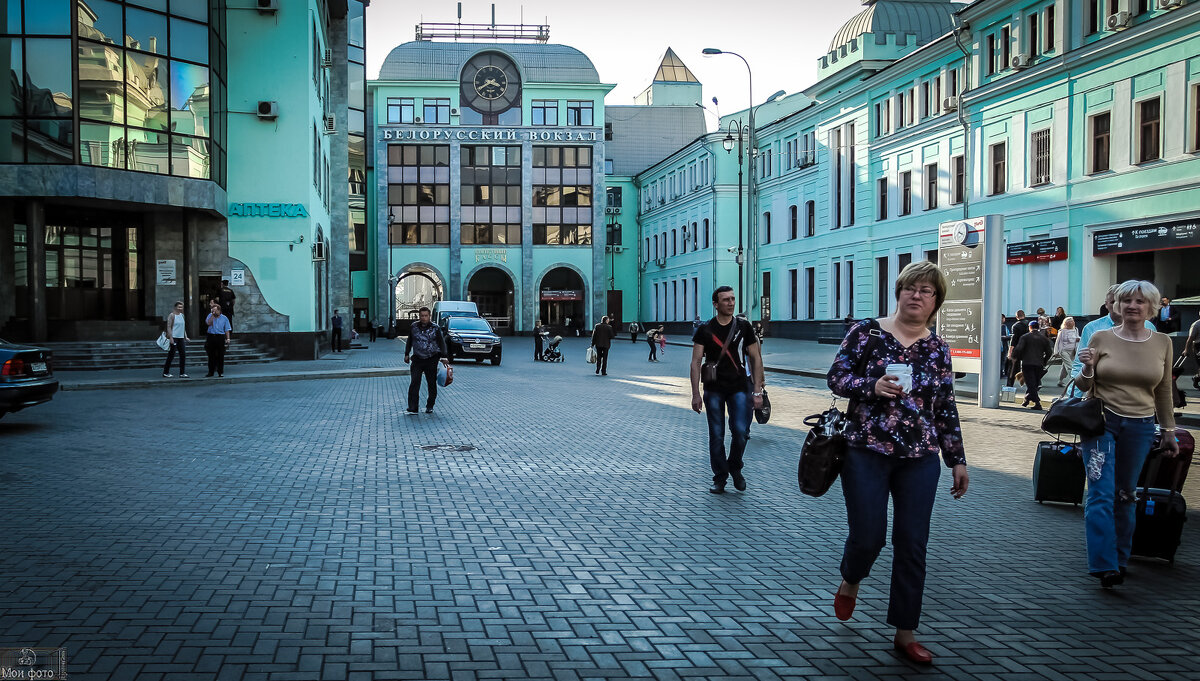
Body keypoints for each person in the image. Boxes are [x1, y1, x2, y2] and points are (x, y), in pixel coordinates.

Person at [827, 261, 968, 665]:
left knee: (912, 544)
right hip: (866, 452)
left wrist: (957, 459)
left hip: (919, 458)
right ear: (899, 292)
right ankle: (852, 577)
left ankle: (905, 632)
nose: (917, 295)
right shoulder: (867, 332)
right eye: (910, 288)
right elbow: (836, 378)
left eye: (926, 291)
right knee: (869, 536)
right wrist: (869, 386)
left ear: (936, 302)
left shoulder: (937, 348)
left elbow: (945, 407)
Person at [1074, 280, 1178, 589]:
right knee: (1101, 493)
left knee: (1126, 494)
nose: (1132, 306)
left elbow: (1163, 391)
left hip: (1141, 426)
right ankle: (1104, 565)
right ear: (1116, 305)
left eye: (1140, 301)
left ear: (1151, 307)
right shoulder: (1101, 337)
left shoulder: (1162, 343)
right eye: (1126, 301)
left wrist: (1169, 430)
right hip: (1102, 424)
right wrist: (1088, 368)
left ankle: (1120, 559)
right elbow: (1082, 386)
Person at [689, 286, 764, 494]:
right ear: (716, 304)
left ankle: (735, 465)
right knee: (716, 434)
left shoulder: (744, 327)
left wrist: (757, 390)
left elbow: (755, 358)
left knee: (741, 432)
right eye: (725, 300)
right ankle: (720, 477)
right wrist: (695, 394)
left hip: (739, 387)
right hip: (713, 389)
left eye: (733, 299)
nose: (731, 303)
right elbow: (695, 362)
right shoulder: (705, 329)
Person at [1070, 284, 1156, 398]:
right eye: (1113, 302)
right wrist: (1074, 397)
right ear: (1106, 304)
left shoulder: (1148, 327)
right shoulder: (1093, 328)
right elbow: (1080, 364)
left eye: (1123, 301)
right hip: (1101, 397)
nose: (1118, 306)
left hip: (1139, 396)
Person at [404, 306, 450, 414]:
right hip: (417, 359)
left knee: (431, 383)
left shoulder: (435, 328)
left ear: (429, 316)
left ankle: (430, 405)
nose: (424, 318)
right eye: (422, 316)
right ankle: (413, 407)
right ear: (419, 316)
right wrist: (406, 354)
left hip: (431, 359)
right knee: (415, 382)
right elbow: (410, 340)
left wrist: (444, 356)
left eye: (426, 316)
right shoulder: (414, 326)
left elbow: (441, 343)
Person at [1011, 319, 1053, 409]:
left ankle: (1037, 403)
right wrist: (1044, 361)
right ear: (1038, 327)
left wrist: (1014, 357)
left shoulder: (1025, 337)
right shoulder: (1044, 339)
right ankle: (1026, 400)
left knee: (1031, 383)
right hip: (1039, 364)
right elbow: (1049, 352)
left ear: (1030, 327)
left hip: (1027, 363)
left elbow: (1019, 349)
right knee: (1033, 383)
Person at [204, 302, 232, 378]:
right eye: (212, 310)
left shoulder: (224, 318)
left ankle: (220, 372)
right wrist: (212, 315)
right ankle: (211, 372)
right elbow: (208, 323)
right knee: (211, 355)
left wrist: (228, 338)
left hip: (220, 337)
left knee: (220, 355)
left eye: (215, 310)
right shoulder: (210, 316)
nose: (214, 312)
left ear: (219, 310)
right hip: (211, 336)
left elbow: (227, 329)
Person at [162, 301, 189, 378]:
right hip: (174, 337)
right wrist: (171, 338)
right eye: (179, 307)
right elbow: (169, 327)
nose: (180, 308)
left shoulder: (182, 316)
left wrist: (186, 337)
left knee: (183, 355)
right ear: (175, 307)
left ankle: (182, 373)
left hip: (181, 338)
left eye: (181, 307)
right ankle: (166, 372)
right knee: (171, 355)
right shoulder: (172, 315)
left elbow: (183, 327)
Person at [1054, 316, 1080, 386]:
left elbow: (1076, 337)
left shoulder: (1075, 330)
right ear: (1066, 323)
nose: (1073, 322)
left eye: (1073, 321)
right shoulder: (1062, 331)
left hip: (1072, 351)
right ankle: (1073, 380)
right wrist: (1056, 352)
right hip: (1064, 351)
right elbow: (1057, 342)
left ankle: (1060, 381)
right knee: (1069, 366)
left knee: (1064, 368)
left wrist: (1078, 339)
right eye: (1071, 321)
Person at [1006, 310, 1028, 387]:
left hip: (1018, 349)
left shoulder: (1016, 326)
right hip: (1028, 349)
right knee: (1029, 367)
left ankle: (1010, 385)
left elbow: (1013, 340)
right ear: (1024, 315)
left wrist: (1010, 352)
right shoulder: (1028, 324)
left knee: (1013, 368)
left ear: (1016, 317)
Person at [1186, 319, 1200, 391]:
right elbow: (1190, 338)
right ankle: (1197, 378)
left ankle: (1197, 377)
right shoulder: (1196, 324)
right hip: (1198, 346)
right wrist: (1186, 349)